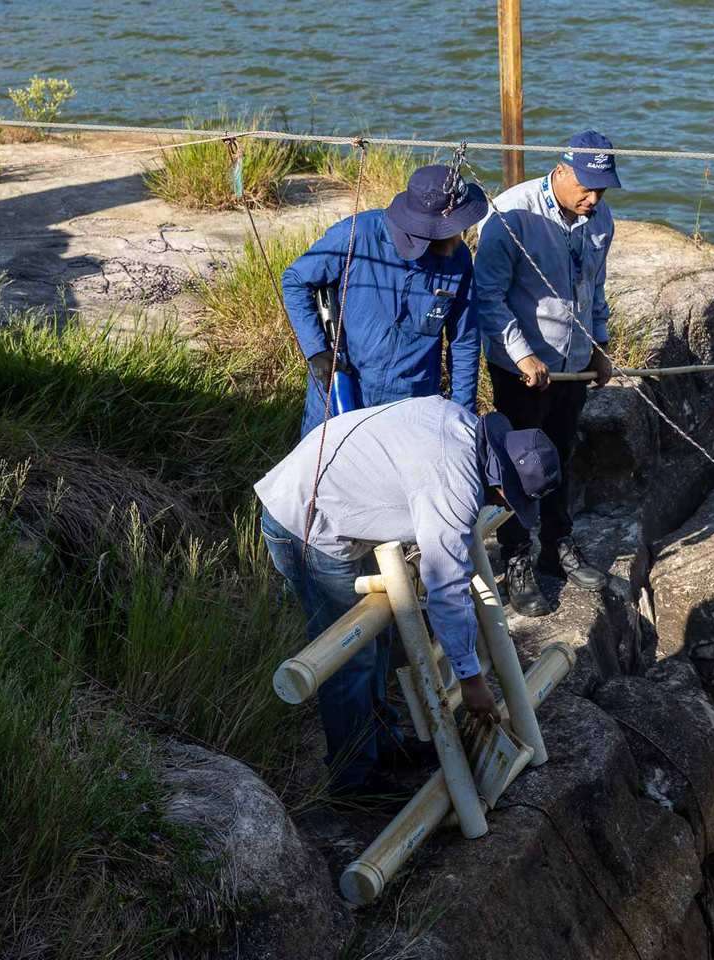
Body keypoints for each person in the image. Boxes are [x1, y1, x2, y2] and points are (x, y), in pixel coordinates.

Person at [254, 395, 560, 795]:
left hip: (330, 495)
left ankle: (383, 744)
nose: (498, 504)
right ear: (501, 484)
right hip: (306, 520)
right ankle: (354, 781)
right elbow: (446, 587)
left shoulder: (461, 425)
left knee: (378, 640)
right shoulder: (452, 484)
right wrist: (470, 680)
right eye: (508, 500)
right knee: (350, 657)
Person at [473, 130, 621, 617]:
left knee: (561, 453)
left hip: (572, 366)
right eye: (586, 187)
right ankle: (517, 556)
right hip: (522, 370)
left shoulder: (599, 219)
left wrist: (599, 346)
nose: (593, 198)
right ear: (560, 170)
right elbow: (488, 296)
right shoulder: (510, 216)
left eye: (602, 189)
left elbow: (596, 286)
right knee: (520, 465)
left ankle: (558, 545)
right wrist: (521, 355)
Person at [281, 163, 487, 436]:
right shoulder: (357, 234)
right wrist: (316, 350)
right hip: (341, 392)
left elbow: (465, 341)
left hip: (412, 407)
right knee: (330, 462)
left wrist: (462, 416)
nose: (460, 233)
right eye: (454, 226)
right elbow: (295, 280)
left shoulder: (459, 260)